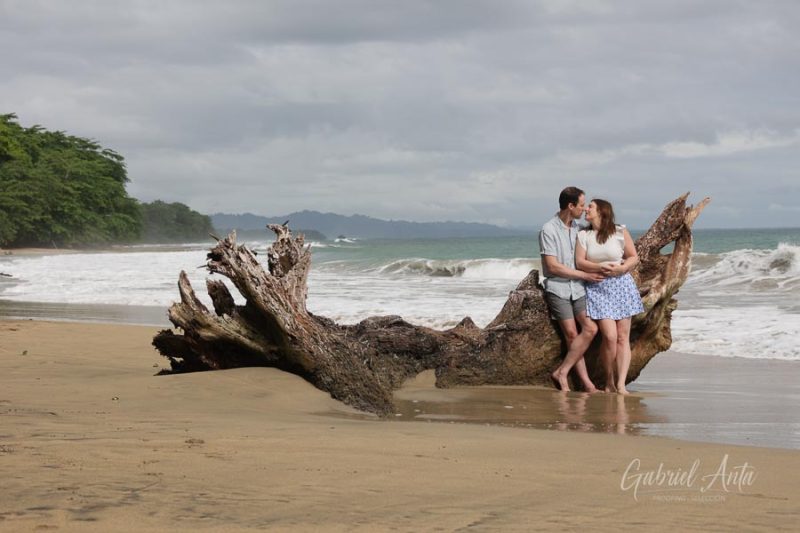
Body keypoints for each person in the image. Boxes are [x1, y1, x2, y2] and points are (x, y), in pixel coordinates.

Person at [575, 199, 644, 394]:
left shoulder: (620, 231)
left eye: (591, 207)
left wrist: (622, 267)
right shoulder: (584, 235)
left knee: (623, 337)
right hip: (598, 288)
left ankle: (621, 384)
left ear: (602, 212)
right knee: (610, 337)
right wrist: (600, 267)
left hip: (622, 286)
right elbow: (580, 262)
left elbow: (633, 256)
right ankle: (609, 380)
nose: (586, 209)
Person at [540, 187, 605, 392]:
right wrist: (585, 275)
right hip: (558, 288)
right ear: (570, 206)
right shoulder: (548, 230)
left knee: (591, 329)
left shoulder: (580, 230)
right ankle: (585, 382)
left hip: (578, 288)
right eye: (581, 204)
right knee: (570, 333)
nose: (584, 208)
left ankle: (562, 371)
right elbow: (552, 267)